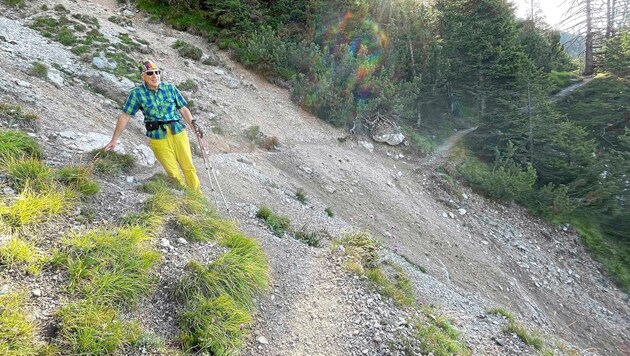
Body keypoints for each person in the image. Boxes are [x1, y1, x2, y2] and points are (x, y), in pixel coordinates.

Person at [104, 58, 203, 191]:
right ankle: (187, 199)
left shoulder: (170, 88)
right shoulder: (137, 93)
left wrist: (193, 126)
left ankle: (197, 197)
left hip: (178, 132)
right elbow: (125, 115)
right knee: (173, 173)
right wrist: (114, 140)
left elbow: (183, 109)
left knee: (189, 167)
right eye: (150, 73)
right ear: (143, 76)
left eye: (157, 72)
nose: (155, 76)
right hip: (157, 136)